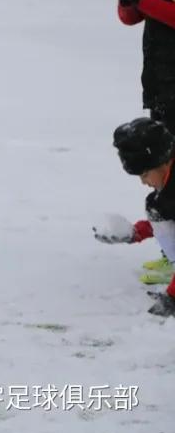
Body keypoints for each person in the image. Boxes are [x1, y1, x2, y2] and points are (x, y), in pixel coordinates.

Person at [102, 0, 175, 281]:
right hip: (161, 87)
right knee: (161, 169)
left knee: (170, 170)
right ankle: (170, 250)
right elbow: (135, 17)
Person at [95, 117, 175, 317]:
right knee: (156, 206)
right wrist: (135, 233)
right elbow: (166, 217)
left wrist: (172, 298)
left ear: (161, 162)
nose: (143, 182)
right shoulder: (167, 192)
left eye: (145, 174)